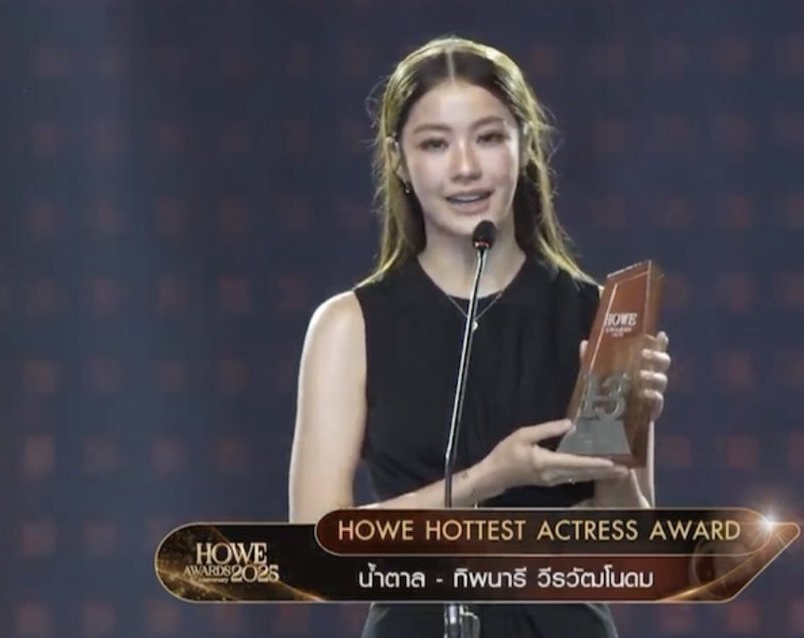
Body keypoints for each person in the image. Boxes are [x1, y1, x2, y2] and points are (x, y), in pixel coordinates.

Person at [288, 35, 672, 637]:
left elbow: (629, 559)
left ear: (525, 144)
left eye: (488, 137)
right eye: (435, 143)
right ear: (398, 159)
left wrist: (622, 456)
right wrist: (487, 480)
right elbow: (314, 554)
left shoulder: (597, 313)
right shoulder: (349, 325)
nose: (465, 167)